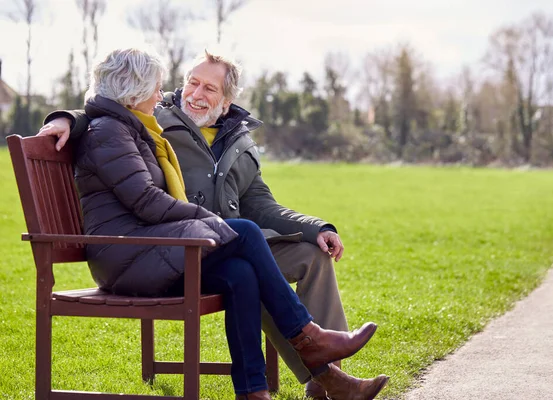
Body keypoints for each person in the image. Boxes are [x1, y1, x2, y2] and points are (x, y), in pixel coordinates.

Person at [38, 50, 372, 399]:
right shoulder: (154, 118)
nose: (194, 94)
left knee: (258, 264)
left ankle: (287, 385)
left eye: (209, 89)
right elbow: (105, 112)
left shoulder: (236, 140)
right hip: (168, 245)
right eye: (190, 83)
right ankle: (310, 339)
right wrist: (67, 119)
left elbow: (261, 203)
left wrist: (315, 227)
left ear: (226, 102)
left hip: (197, 243)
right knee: (245, 238)